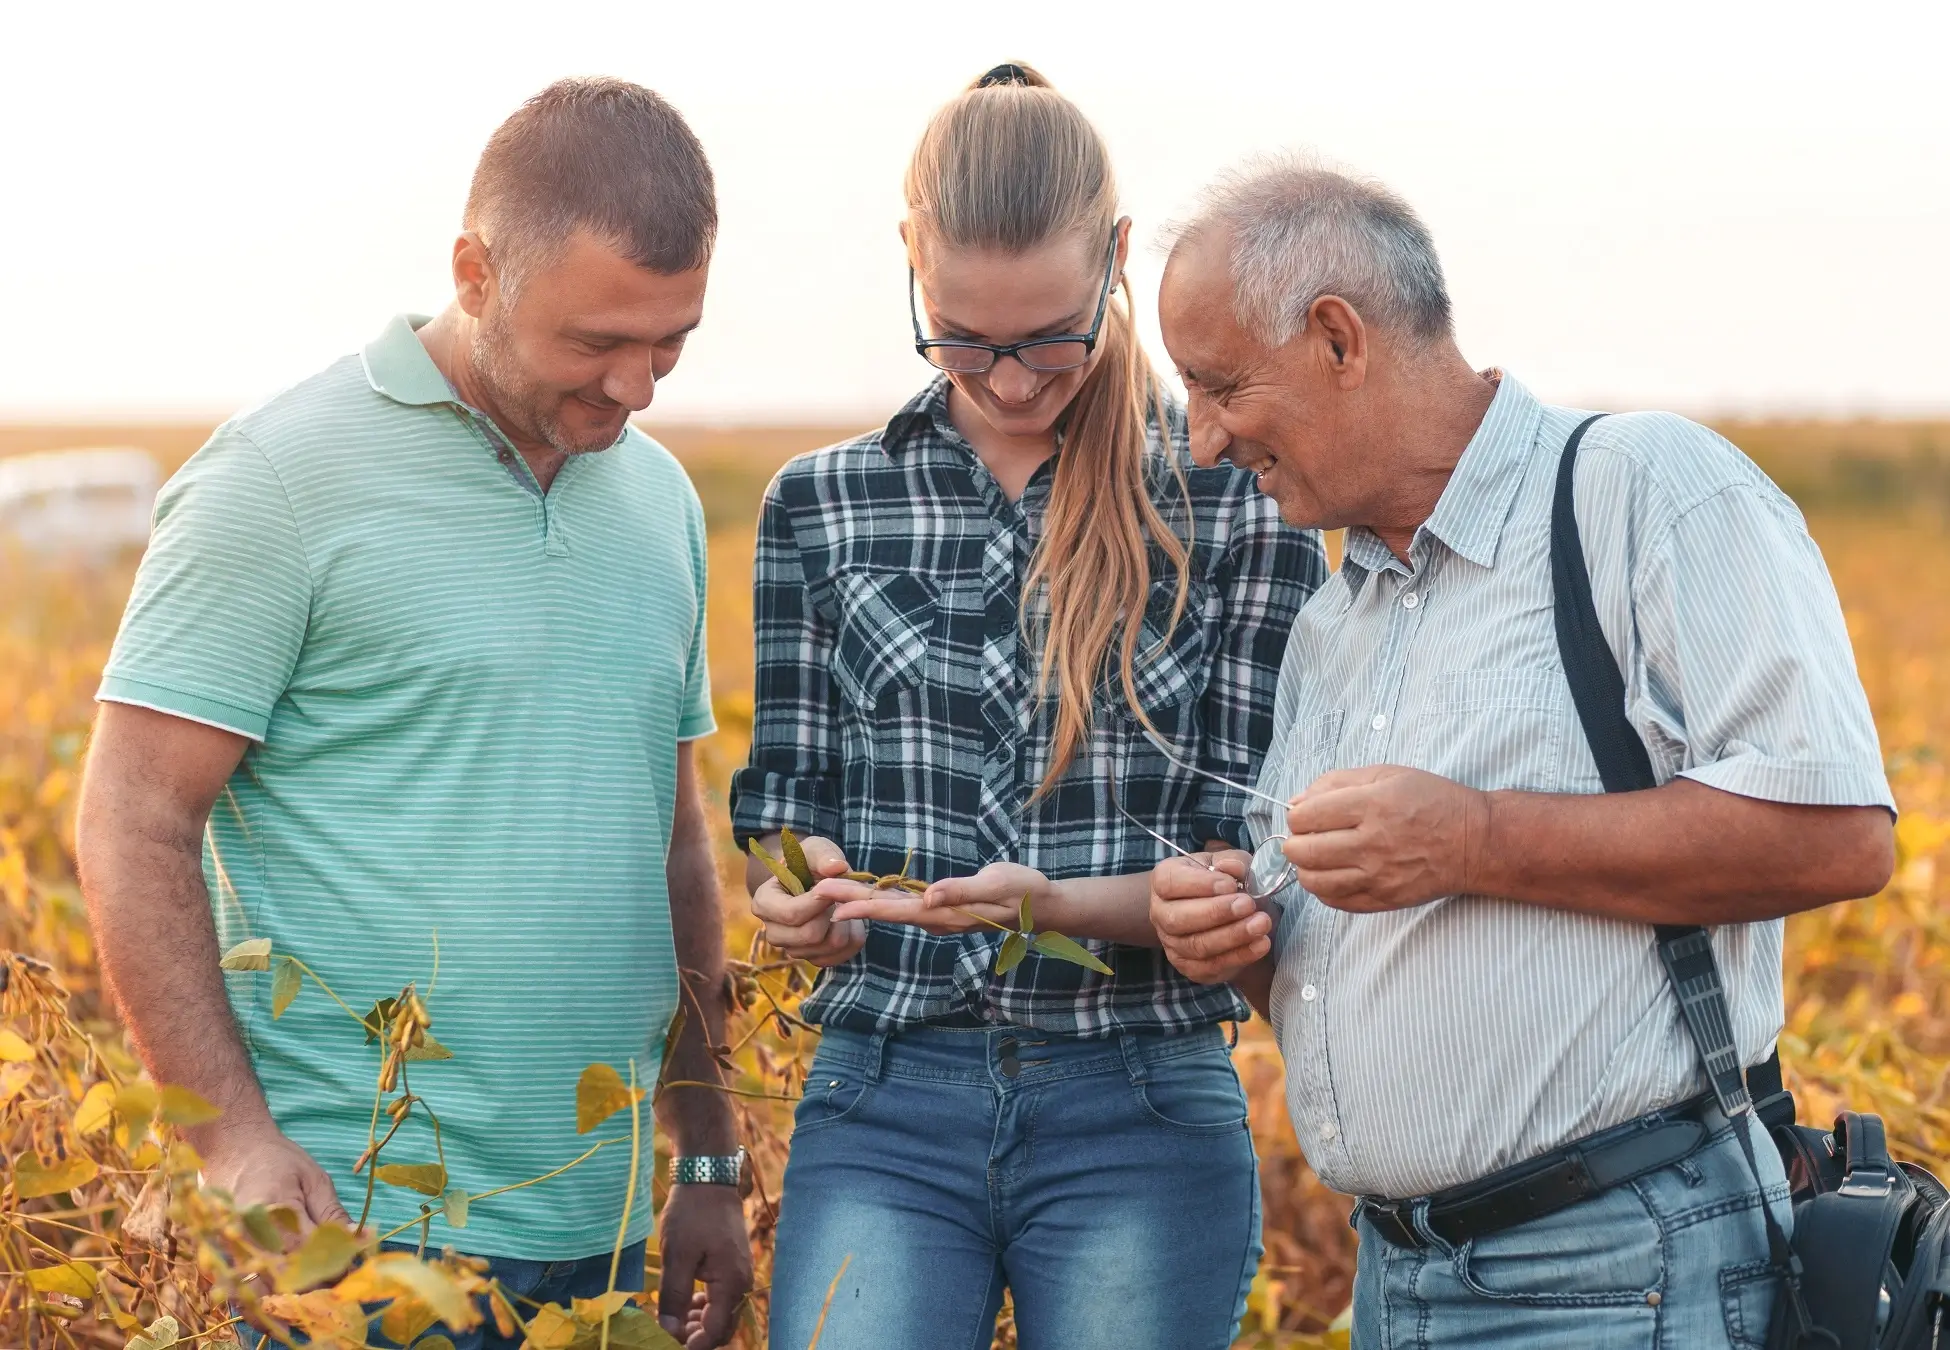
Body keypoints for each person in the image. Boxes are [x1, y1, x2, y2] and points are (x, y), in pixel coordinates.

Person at [1145, 156, 1898, 1346]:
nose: (1202, 440)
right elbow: (1335, 967)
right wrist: (1232, 938)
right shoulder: (1335, 624)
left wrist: (1473, 836)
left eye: (1220, 386)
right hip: (1398, 1280)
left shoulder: (1643, 493)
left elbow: (1840, 837)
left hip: (1626, 1264)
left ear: (1339, 338)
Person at [76, 79, 751, 1350]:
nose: (639, 387)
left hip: (599, 1224)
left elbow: (671, 848)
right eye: (596, 341)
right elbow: (132, 818)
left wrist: (706, 1158)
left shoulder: (657, 503)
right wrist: (231, 1141)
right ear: (477, 273)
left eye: (671, 342)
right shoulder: (276, 480)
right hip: (356, 1229)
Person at [731, 64, 1324, 1350]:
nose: (1007, 379)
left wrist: (1051, 908)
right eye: (961, 336)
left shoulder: (1233, 506)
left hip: (1140, 1098)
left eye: (1051, 334)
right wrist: (802, 893)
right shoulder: (820, 506)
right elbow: (785, 806)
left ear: (1117, 260)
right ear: (908, 263)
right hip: (884, 1088)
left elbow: (1249, 857)